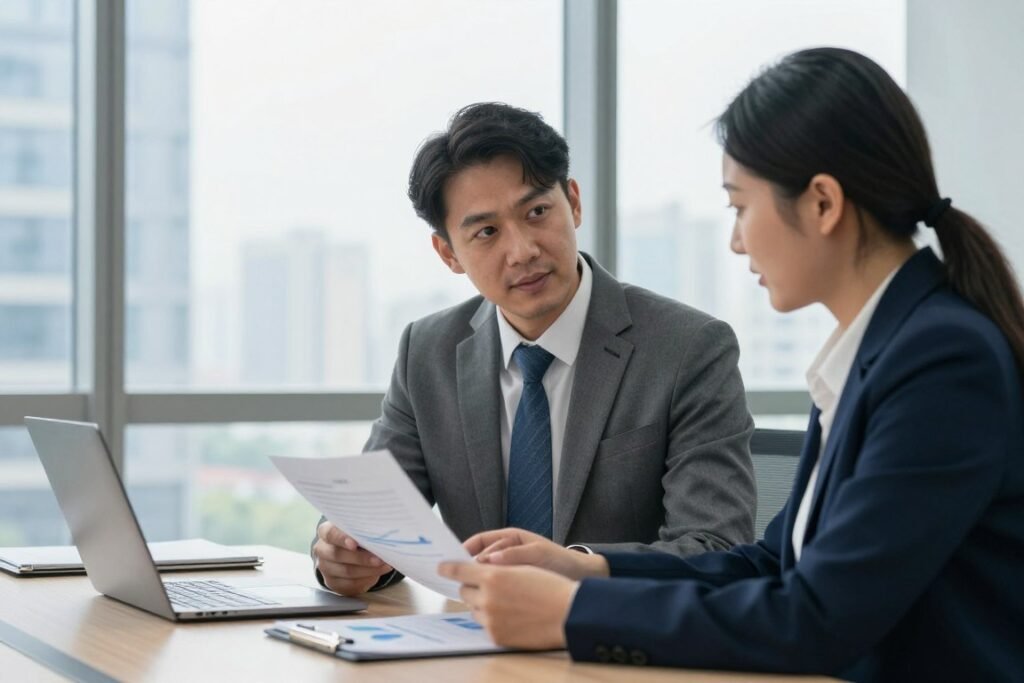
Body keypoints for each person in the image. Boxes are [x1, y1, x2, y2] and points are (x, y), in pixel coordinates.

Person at [438, 48, 1024, 681]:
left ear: (822, 204)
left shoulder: (940, 362)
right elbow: (772, 566)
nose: (737, 240)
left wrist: (574, 613)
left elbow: (815, 619)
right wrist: (588, 568)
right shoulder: (881, 352)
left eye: (741, 207)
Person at [312, 102, 757, 597]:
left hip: (622, 650)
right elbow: (373, 518)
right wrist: (343, 554)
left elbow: (718, 549)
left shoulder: (687, 349)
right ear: (448, 254)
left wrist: (575, 567)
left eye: (537, 212)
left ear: (574, 203)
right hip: (472, 652)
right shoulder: (428, 353)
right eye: (486, 232)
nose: (522, 250)